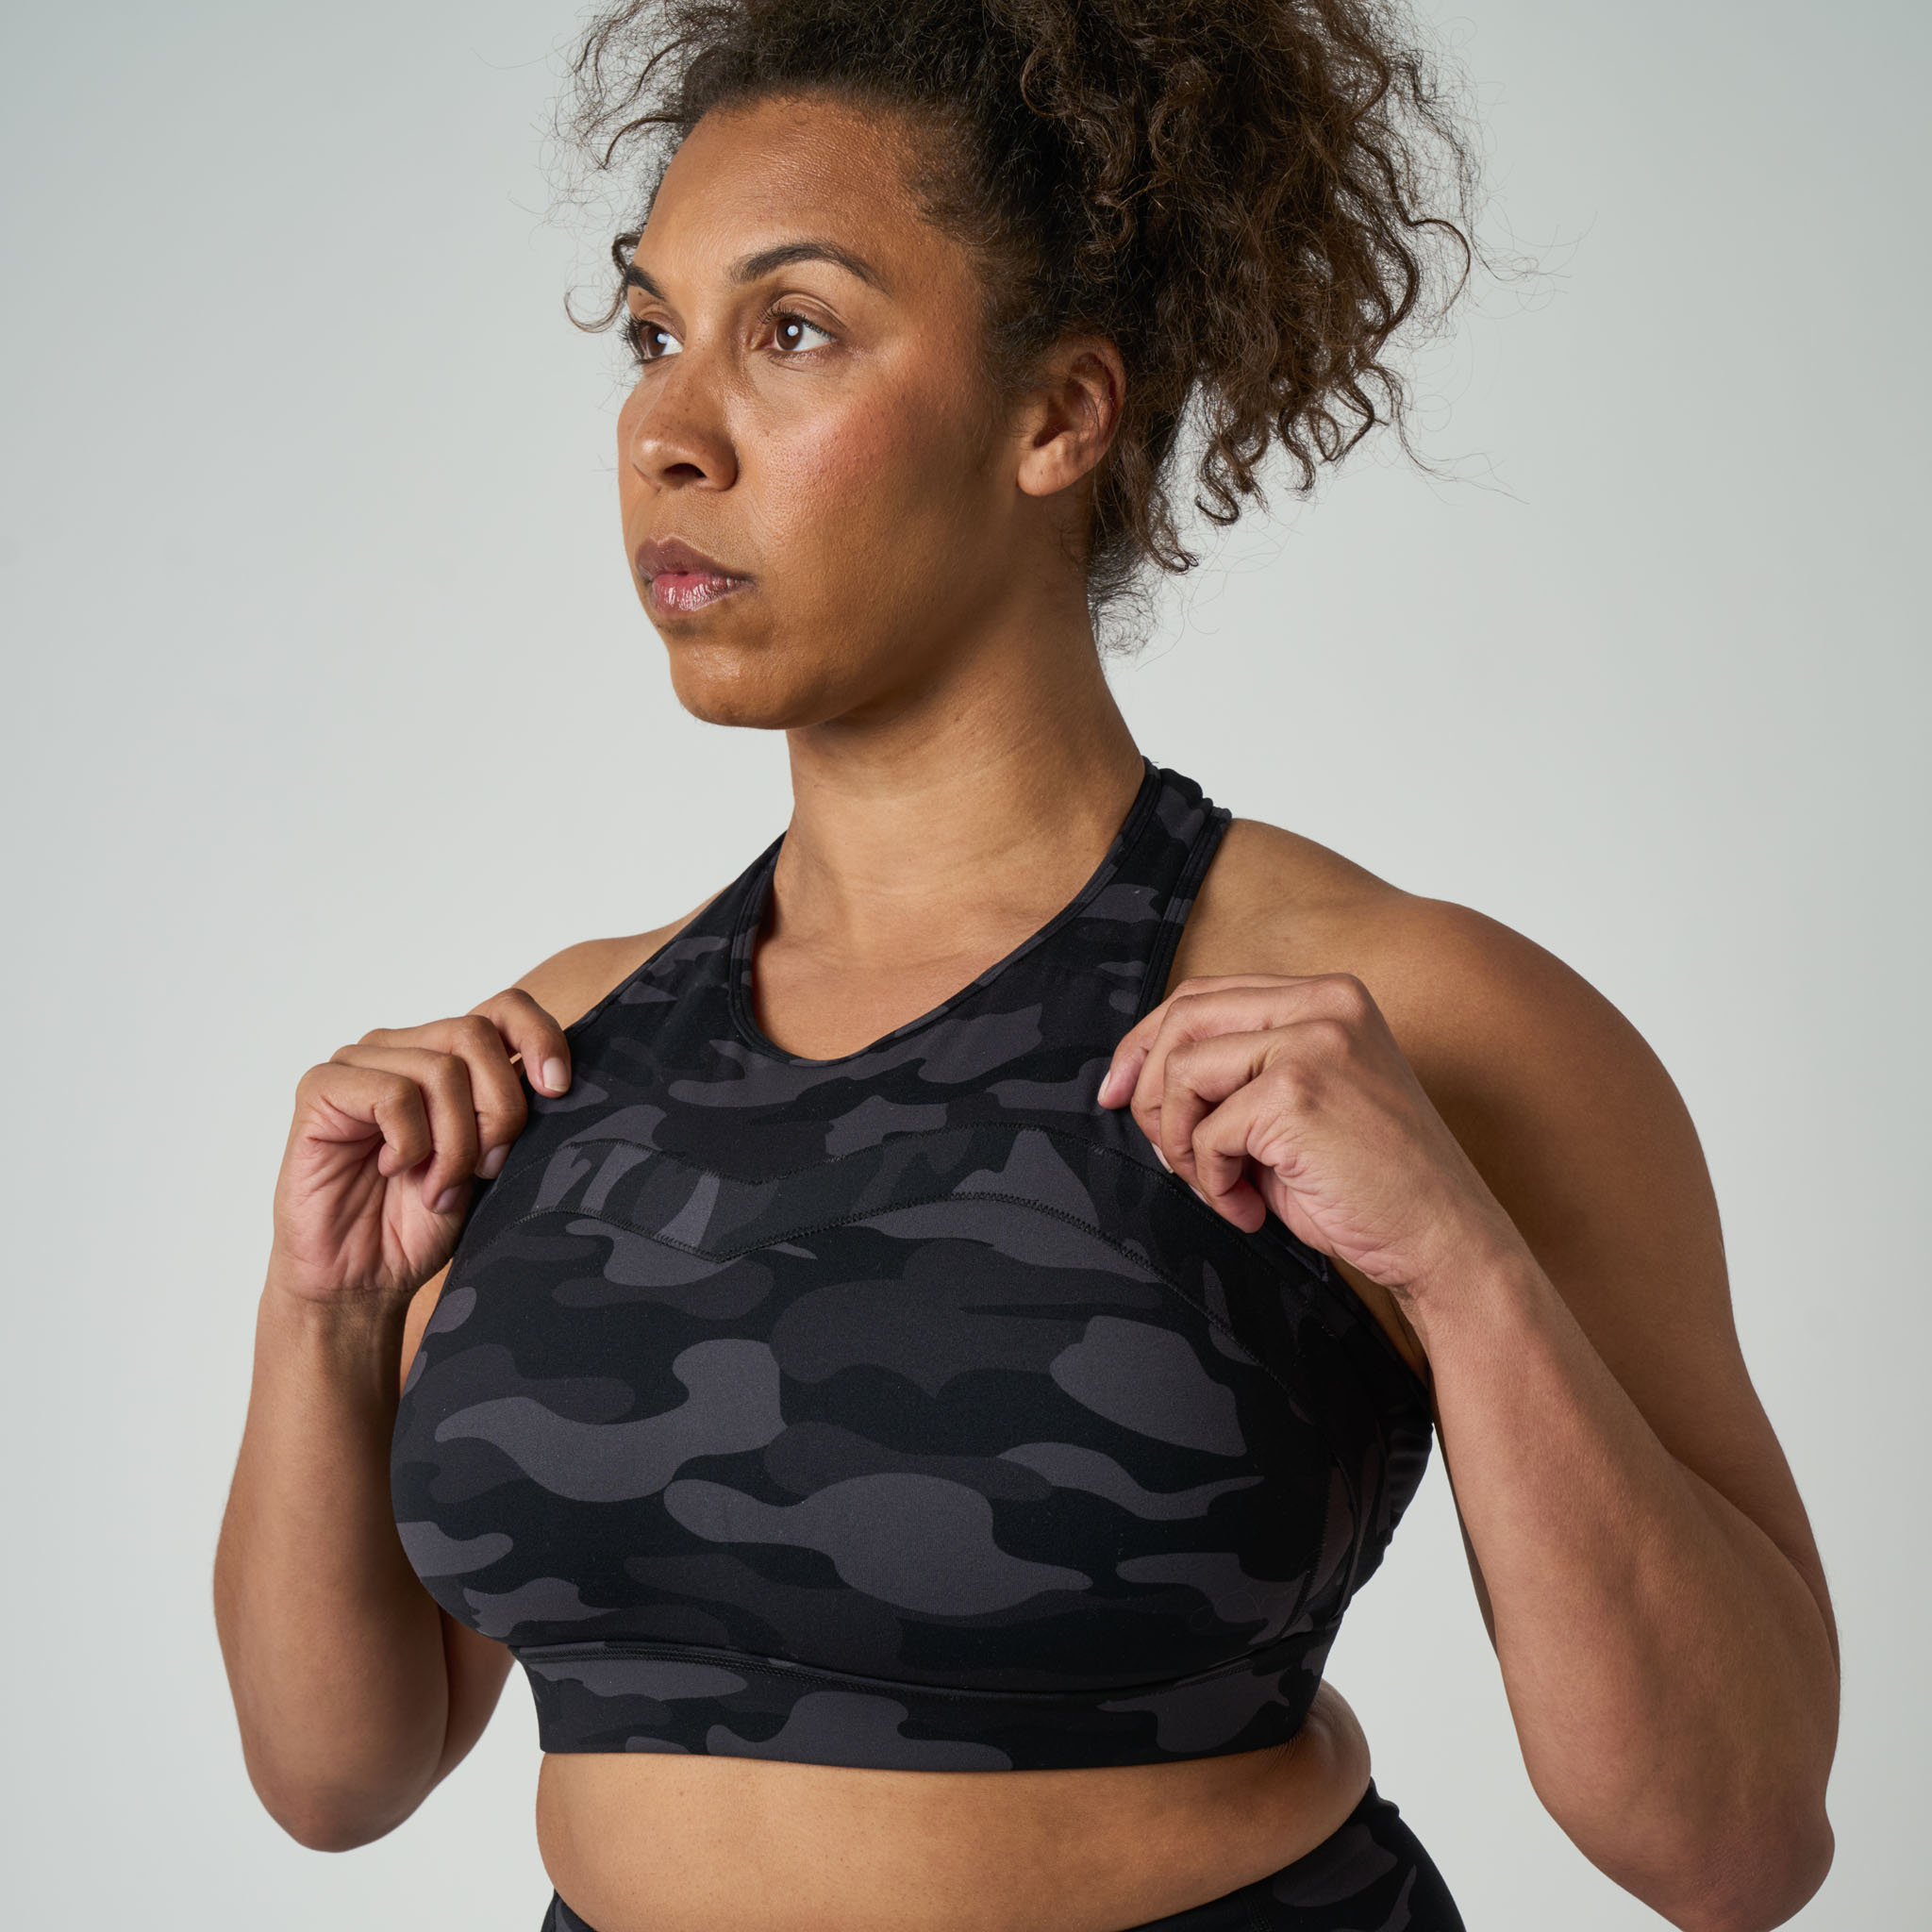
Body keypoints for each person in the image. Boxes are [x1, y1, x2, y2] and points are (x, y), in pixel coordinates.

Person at [212, 3, 1840, 1928]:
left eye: (791, 329)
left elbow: (1732, 1846)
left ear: (1058, 413)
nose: (666, 428)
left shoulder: (1405, 1019)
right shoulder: (561, 1046)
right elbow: (337, 1774)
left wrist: (1464, 1275)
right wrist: (320, 1317)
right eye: (653, 333)